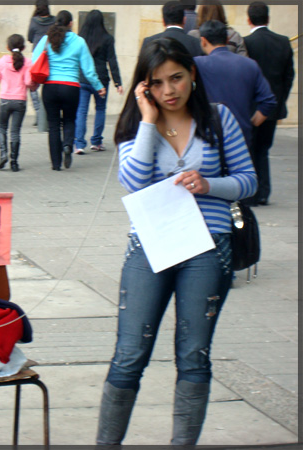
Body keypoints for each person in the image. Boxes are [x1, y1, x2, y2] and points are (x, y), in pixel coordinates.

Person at [96, 37, 257, 446]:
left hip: (208, 245)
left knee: (192, 355)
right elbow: (132, 182)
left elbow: (247, 181)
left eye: (177, 78)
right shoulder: (137, 126)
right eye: (157, 82)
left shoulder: (219, 119)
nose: (170, 90)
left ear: (193, 76)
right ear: (144, 87)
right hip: (151, 246)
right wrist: (148, 119)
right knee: (129, 355)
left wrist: (209, 184)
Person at [32, 10, 105, 171]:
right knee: (69, 120)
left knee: (53, 125)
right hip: (71, 87)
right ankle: (67, 146)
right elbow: (88, 70)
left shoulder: (46, 39)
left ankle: (56, 164)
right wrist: (99, 87)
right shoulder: (79, 41)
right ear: (71, 23)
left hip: (50, 87)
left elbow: (34, 60)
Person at [195, 20, 276, 153]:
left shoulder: (198, 64)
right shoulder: (250, 64)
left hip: (208, 136)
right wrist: (252, 123)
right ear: (227, 39)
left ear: (203, 41)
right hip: (241, 136)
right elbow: (269, 101)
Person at [243, 1, 295, 206]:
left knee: (251, 148)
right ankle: (263, 192)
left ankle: (252, 192)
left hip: (252, 108)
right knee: (263, 149)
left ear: (248, 19)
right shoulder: (283, 42)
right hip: (272, 107)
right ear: (268, 18)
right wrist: (280, 100)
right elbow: (289, 76)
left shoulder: (247, 43)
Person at [73, 10, 123, 155]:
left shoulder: (80, 38)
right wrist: (117, 82)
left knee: (81, 111)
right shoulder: (107, 38)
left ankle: (79, 144)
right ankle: (96, 141)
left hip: (83, 78)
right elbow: (112, 61)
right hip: (101, 79)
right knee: (100, 109)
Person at [0, 34, 36, 172]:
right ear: (24, 47)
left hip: (5, 100)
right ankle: (14, 162)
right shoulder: (27, 62)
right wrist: (34, 85)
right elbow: (28, 82)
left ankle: (3, 154)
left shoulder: (2, 62)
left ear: (7, 47)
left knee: (2, 128)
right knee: (15, 132)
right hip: (20, 101)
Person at [27, 0, 55, 127]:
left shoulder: (34, 20)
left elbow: (29, 37)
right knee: (50, 84)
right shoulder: (54, 20)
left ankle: (39, 113)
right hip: (51, 54)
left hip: (37, 55)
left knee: (33, 85)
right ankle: (49, 115)